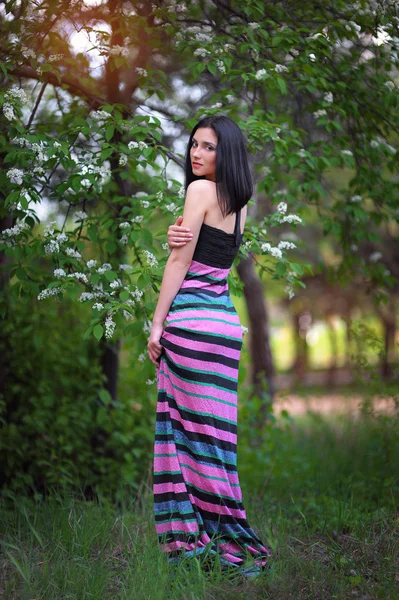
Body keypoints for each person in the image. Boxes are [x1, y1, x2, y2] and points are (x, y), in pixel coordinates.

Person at [147, 115, 273, 576]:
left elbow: (181, 262)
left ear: (228, 153)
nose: (196, 154)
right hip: (223, 329)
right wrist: (176, 236)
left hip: (190, 326)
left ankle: (196, 545)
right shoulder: (241, 203)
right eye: (194, 145)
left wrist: (157, 325)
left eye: (209, 147)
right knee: (215, 442)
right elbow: (207, 255)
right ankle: (230, 540)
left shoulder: (199, 192)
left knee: (181, 439)